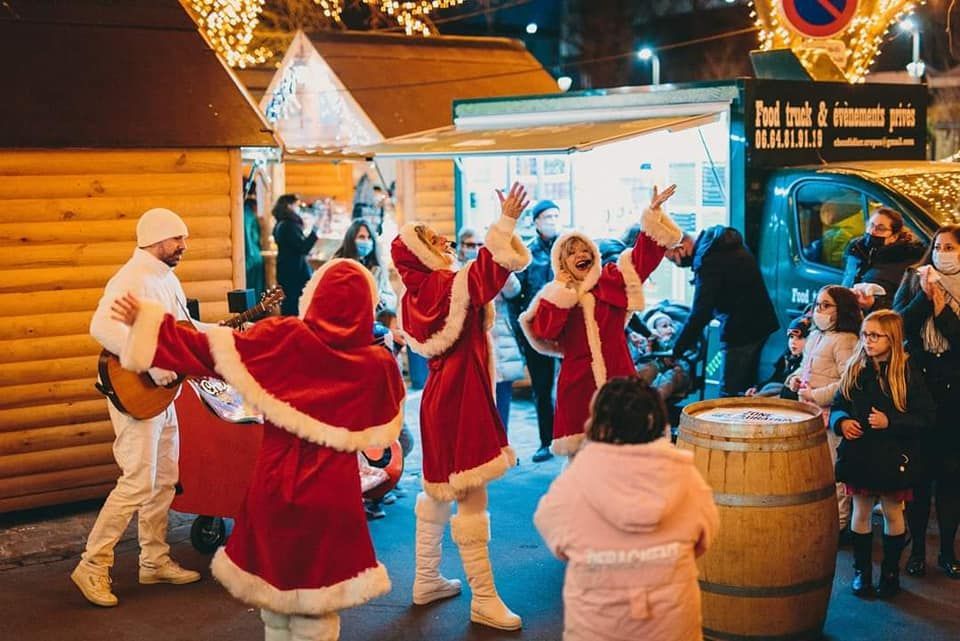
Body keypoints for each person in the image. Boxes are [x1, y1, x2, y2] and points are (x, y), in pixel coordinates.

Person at [110, 258, 406, 641]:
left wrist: (151, 324)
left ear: (314, 297)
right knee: (316, 609)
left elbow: (207, 350)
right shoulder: (376, 365)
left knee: (274, 603)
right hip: (332, 497)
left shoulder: (284, 338)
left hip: (275, 486)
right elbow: (383, 433)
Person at [392, 184, 531, 630]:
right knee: (472, 494)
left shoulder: (414, 294)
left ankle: (426, 579)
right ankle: (484, 599)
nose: (444, 241)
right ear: (420, 253)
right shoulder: (445, 284)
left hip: (439, 397)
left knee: (437, 488)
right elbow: (487, 274)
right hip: (462, 397)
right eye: (432, 238)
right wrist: (506, 220)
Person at [71, 208, 201, 607]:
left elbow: (179, 332)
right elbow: (101, 327)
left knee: (164, 479)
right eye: (177, 238)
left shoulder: (166, 278)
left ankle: (154, 560)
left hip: (164, 397)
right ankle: (92, 565)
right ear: (155, 239)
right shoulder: (132, 278)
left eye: (184, 237)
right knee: (138, 482)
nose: (183, 245)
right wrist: (151, 364)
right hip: (137, 396)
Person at [533, 377, 719, 641]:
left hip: (596, 628)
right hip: (672, 627)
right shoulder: (686, 477)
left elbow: (555, 540)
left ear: (596, 423)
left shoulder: (575, 481)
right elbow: (704, 539)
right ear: (659, 423)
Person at [520, 185, 680, 456]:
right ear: (561, 262)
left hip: (620, 379)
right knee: (582, 459)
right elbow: (544, 331)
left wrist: (652, 215)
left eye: (584, 249)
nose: (580, 254)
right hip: (577, 384)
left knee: (630, 451)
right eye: (571, 251)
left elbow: (641, 260)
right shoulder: (555, 295)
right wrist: (563, 295)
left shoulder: (611, 280)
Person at [830, 310, 935, 598]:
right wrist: (841, 421)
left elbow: (926, 417)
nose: (868, 341)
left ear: (893, 338)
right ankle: (861, 572)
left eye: (875, 336)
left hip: (893, 456)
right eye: (865, 335)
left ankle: (890, 574)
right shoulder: (855, 368)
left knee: (892, 512)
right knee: (861, 511)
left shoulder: (907, 372)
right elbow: (839, 404)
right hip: (860, 454)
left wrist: (891, 421)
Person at [893, 224, 960, 580]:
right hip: (919, 387)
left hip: (954, 393)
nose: (941, 253)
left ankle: (948, 551)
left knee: (950, 477)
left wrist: (943, 310)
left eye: (950, 247)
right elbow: (898, 326)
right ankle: (917, 550)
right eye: (937, 246)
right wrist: (924, 297)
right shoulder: (913, 278)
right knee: (918, 477)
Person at [664, 226, 779, 397]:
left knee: (729, 393)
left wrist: (676, 351)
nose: (678, 264)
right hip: (759, 323)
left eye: (673, 259)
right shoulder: (719, 242)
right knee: (746, 389)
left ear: (681, 248)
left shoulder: (707, 259)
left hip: (741, 331)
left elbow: (701, 311)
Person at [786, 286, 862, 539]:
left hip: (831, 416)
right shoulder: (816, 336)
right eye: (818, 304)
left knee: (833, 473)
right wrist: (794, 379)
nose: (819, 310)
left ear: (842, 309)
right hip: (810, 413)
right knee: (813, 471)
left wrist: (816, 394)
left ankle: (838, 525)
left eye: (826, 305)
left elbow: (847, 381)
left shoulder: (846, 340)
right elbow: (806, 367)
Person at [511, 199, 562, 463]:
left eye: (555, 216)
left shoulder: (568, 248)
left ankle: (571, 435)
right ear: (536, 222)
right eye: (547, 217)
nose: (552, 221)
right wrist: (522, 334)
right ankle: (546, 441)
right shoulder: (527, 255)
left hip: (567, 330)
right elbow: (515, 298)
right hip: (538, 332)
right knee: (542, 389)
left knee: (571, 386)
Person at [458, 228, 525, 430]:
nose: (476, 249)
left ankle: (502, 441)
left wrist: (501, 266)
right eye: (470, 245)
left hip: (500, 338)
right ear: (461, 247)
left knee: (502, 400)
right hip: (469, 340)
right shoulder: (455, 270)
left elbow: (514, 291)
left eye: (480, 245)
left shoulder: (495, 266)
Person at [842, 207, 925, 310]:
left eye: (880, 229)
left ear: (894, 237)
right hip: (847, 314)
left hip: (877, 318)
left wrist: (873, 304)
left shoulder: (905, 261)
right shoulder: (856, 250)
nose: (872, 231)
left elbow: (902, 306)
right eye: (871, 225)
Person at [334, 219, 397, 311]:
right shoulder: (338, 265)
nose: (366, 241)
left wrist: (383, 301)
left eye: (369, 237)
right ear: (351, 240)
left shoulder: (377, 266)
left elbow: (390, 296)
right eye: (361, 237)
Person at [273, 194, 318, 316]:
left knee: (288, 304)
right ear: (289, 206)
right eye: (296, 205)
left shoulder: (280, 223)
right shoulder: (288, 225)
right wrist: (315, 231)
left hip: (286, 269)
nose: (299, 208)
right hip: (294, 271)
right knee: (294, 306)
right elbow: (302, 248)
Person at [746, 316, 811, 399]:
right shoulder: (787, 356)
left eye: (800, 338)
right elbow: (776, 378)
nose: (793, 342)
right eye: (791, 337)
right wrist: (757, 388)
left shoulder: (809, 363)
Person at [633, 312, 691, 403]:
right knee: (647, 370)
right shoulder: (644, 344)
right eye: (665, 326)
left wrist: (675, 362)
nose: (670, 328)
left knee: (672, 375)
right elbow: (638, 360)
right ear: (654, 330)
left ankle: (653, 402)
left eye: (671, 326)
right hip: (654, 377)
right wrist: (649, 349)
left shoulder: (677, 344)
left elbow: (685, 362)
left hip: (674, 375)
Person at [243, 194, 266, 298]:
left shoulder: (246, 214)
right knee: (254, 284)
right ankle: (256, 304)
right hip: (252, 255)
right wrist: (250, 252)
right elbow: (247, 234)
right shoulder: (248, 215)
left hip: (251, 254)